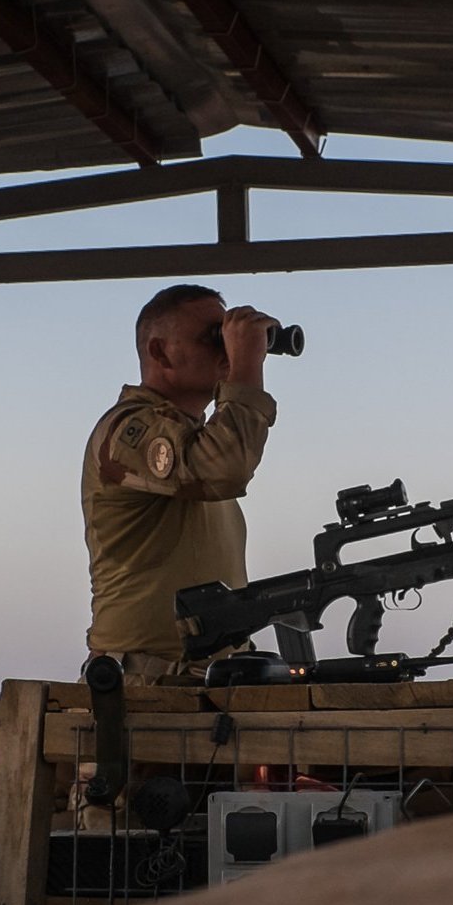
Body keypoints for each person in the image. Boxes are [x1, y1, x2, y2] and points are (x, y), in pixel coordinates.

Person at [81, 283, 280, 681]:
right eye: (213, 338)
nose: (225, 351)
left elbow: (217, 460)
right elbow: (225, 467)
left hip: (211, 680)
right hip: (148, 686)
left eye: (227, 337)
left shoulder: (196, 445)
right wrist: (246, 367)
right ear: (159, 351)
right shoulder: (126, 431)